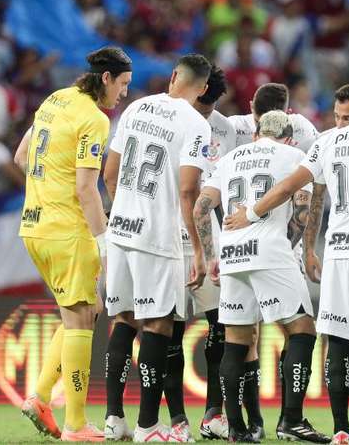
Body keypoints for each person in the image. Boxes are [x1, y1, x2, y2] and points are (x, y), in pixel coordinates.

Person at [225, 96, 349, 445]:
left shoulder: (326, 142)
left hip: (336, 250)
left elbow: (289, 187)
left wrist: (250, 213)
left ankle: (339, 429)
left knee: (334, 342)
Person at [18, 46, 132, 442]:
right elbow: (86, 188)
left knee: (85, 310)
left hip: (33, 226)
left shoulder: (55, 100)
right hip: (68, 231)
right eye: (122, 84)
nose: (124, 94)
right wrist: (103, 242)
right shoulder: (95, 120)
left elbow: (21, 157)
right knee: (83, 317)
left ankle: (40, 397)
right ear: (106, 79)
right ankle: (75, 424)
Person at [194, 110, 328, 443]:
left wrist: (211, 256)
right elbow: (302, 207)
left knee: (236, 341)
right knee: (301, 329)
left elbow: (200, 207)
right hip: (269, 247)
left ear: (256, 134)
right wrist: (292, 245)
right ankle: (292, 420)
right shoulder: (294, 154)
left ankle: (237, 429)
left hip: (231, 252)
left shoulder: (230, 158)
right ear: (287, 137)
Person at [102, 54, 212, 442]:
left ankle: (114, 419)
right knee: (159, 322)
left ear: (173, 77)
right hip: (157, 236)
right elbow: (187, 191)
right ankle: (148, 425)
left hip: (120, 230)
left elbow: (109, 174)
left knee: (124, 320)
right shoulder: (196, 124)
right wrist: (198, 250)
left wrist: (123, 212)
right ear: (201, 89)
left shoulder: (135, 107)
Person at [304, 82, 349, 441]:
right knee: (337, 339)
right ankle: (341, 427)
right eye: (336, 116)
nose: (341, 124)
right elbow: (316, 199)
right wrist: (308, 249)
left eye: (348, 117)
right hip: (337, 251)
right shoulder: (326, 142)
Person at [183, 63, 237, 440]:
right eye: (201, 106)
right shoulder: (172, 117)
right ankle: (173, 418)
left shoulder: (225, 129)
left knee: (219, 322)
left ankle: (214, 412)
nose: (204, 114)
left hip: (210, 233)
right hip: (168, 230)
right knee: (166, 327)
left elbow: (224, 189)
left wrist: (219, 243)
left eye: (210, 107)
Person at [228, 82, 319, 152]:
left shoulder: (302, 128)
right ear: (251, 106)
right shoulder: (233, 126)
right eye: (258, 122)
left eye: (274, 126)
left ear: (287, 114)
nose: (263, 131)